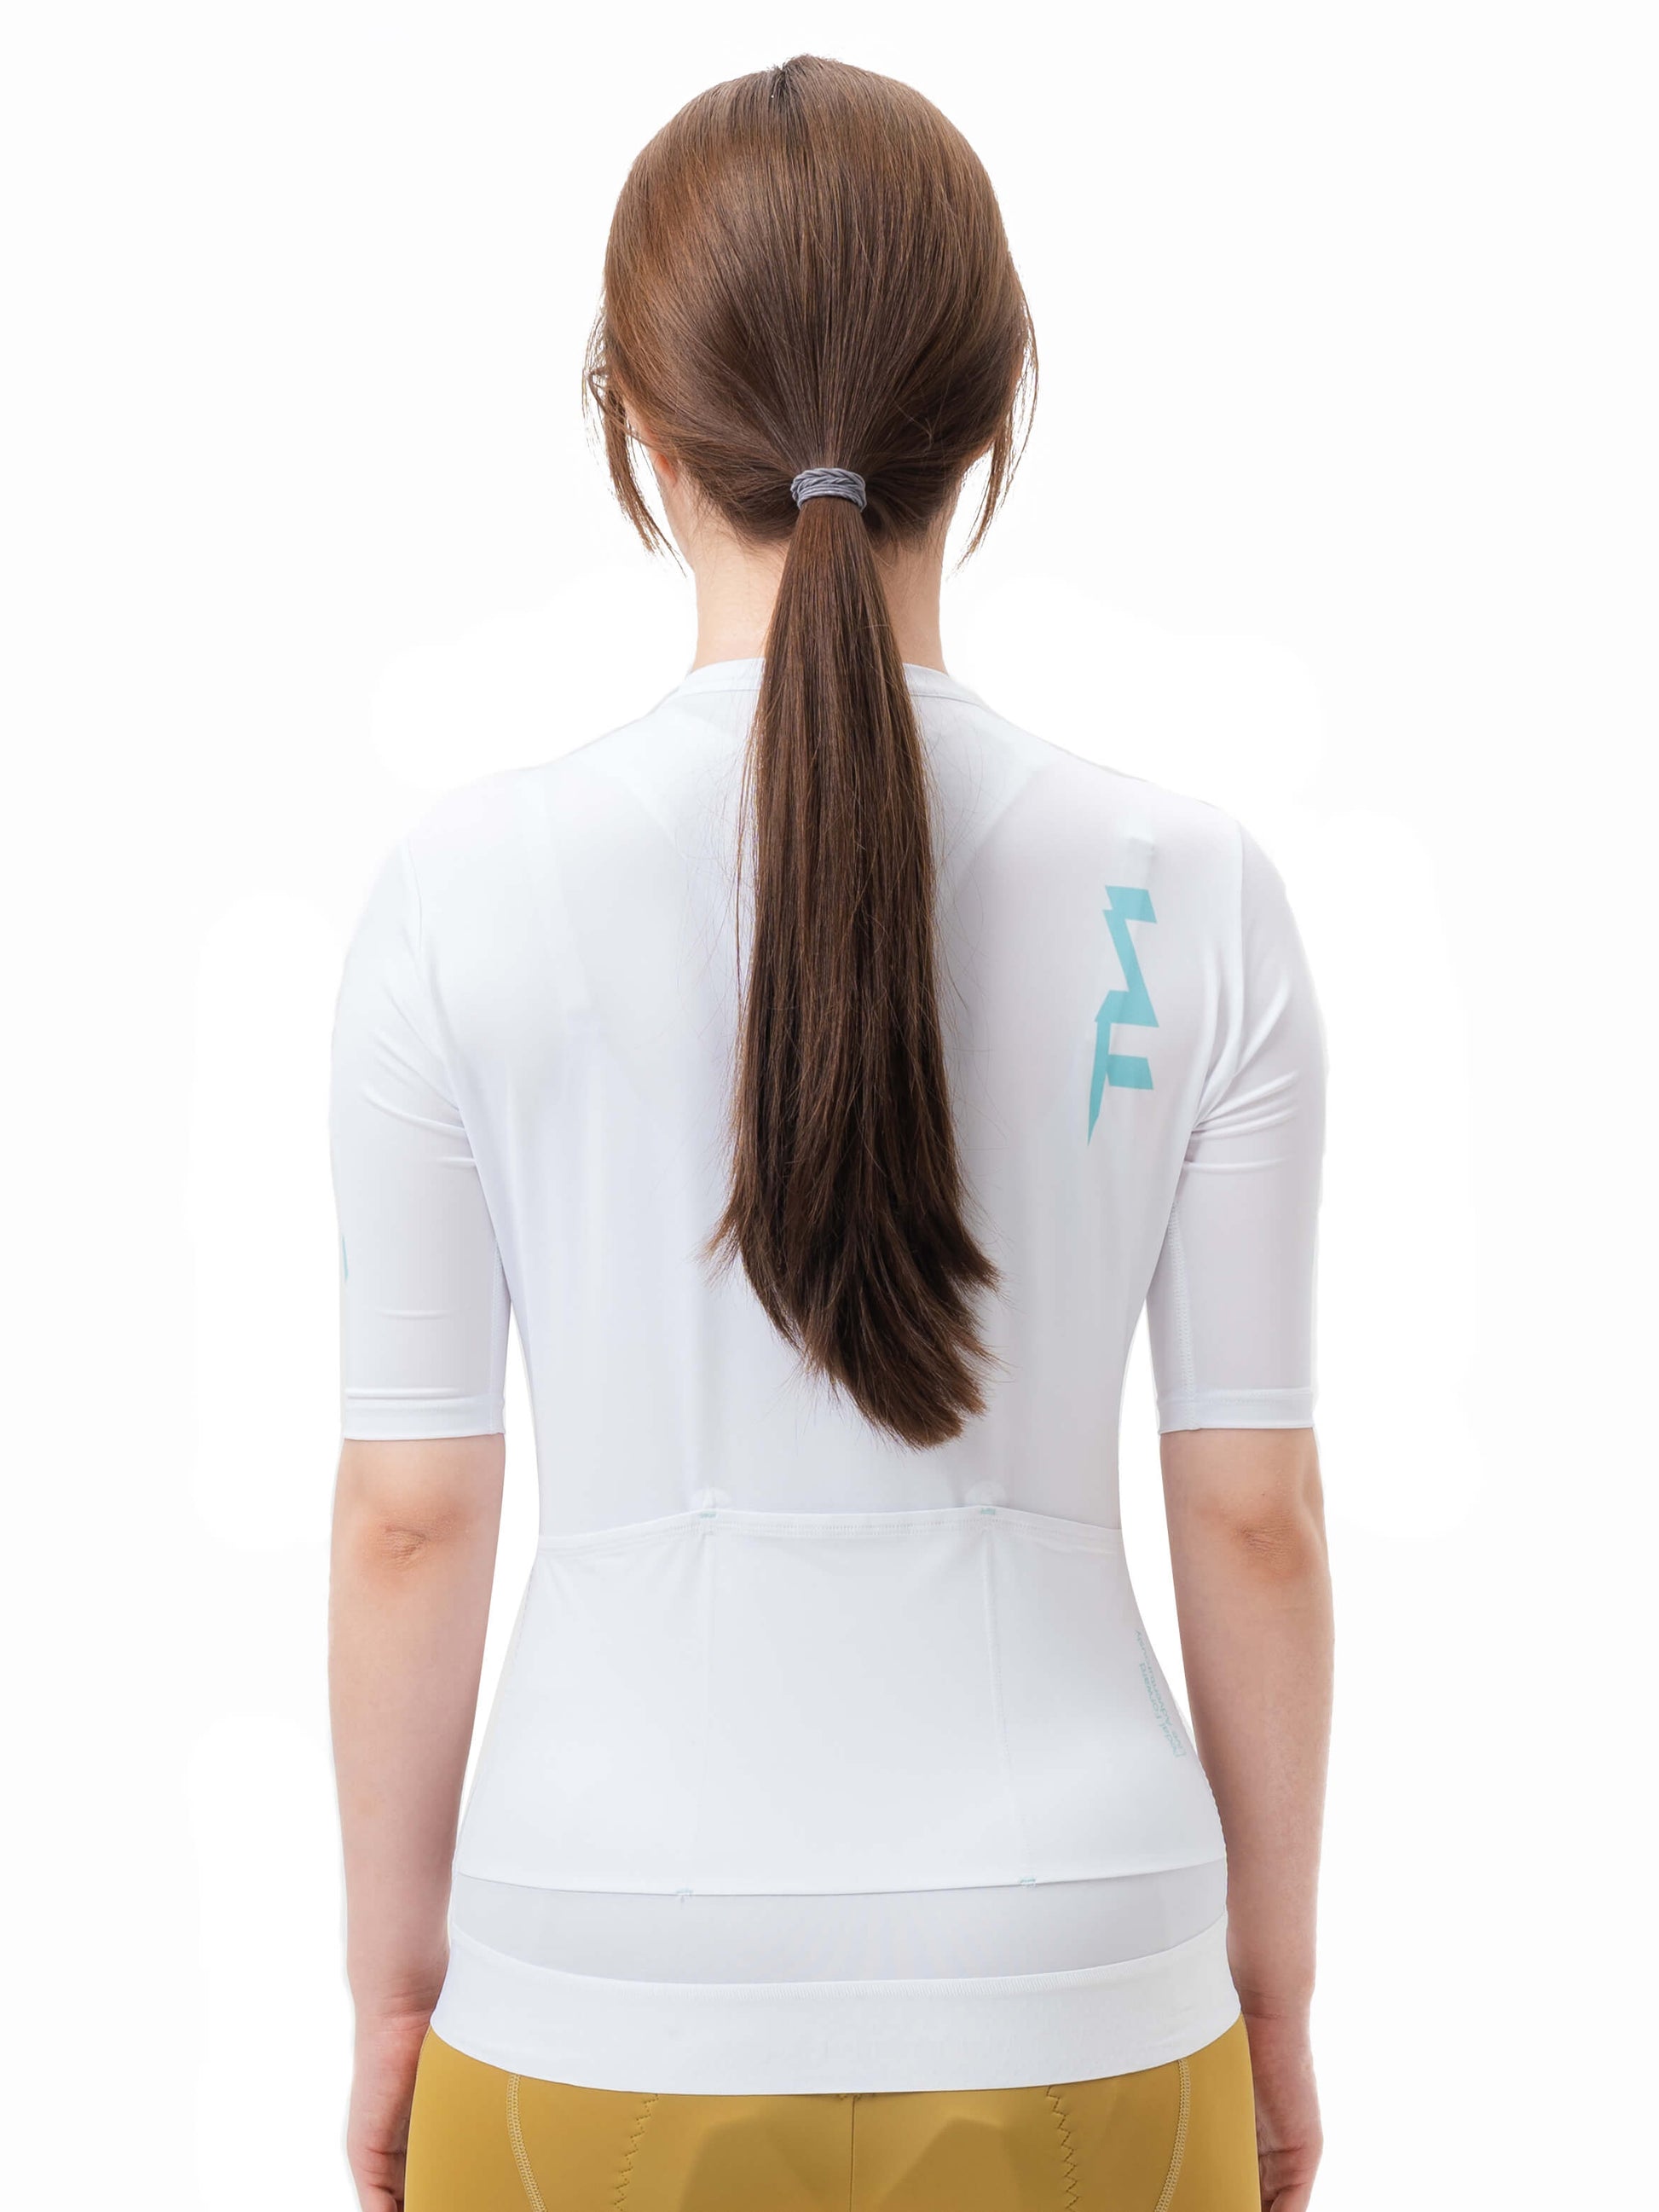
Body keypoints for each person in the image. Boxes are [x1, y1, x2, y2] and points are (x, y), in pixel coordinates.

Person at [327, 54, 1333, 2212]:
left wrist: (396, 1986)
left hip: (589, 1980)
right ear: (997, 409)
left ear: (629, 417)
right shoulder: (1185, 888)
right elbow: (1250, 1514)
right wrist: (1273, 1984)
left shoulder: (461, 893)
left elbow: (411, 1516)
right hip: (1085, 1983)